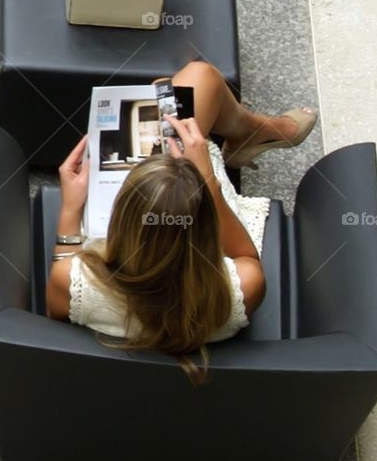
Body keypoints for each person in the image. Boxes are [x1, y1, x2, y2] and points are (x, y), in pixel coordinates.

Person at [46, 60, 316, 382]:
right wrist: (206, 179)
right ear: (205, 228)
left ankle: (249, 132)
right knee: (193, 81)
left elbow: (57, 312)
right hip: (191, 219)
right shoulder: (240, 288)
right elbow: (244, 255)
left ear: (121, 220)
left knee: (169, 93)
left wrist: (70, 210)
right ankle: (257, 132)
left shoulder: (71, 281)